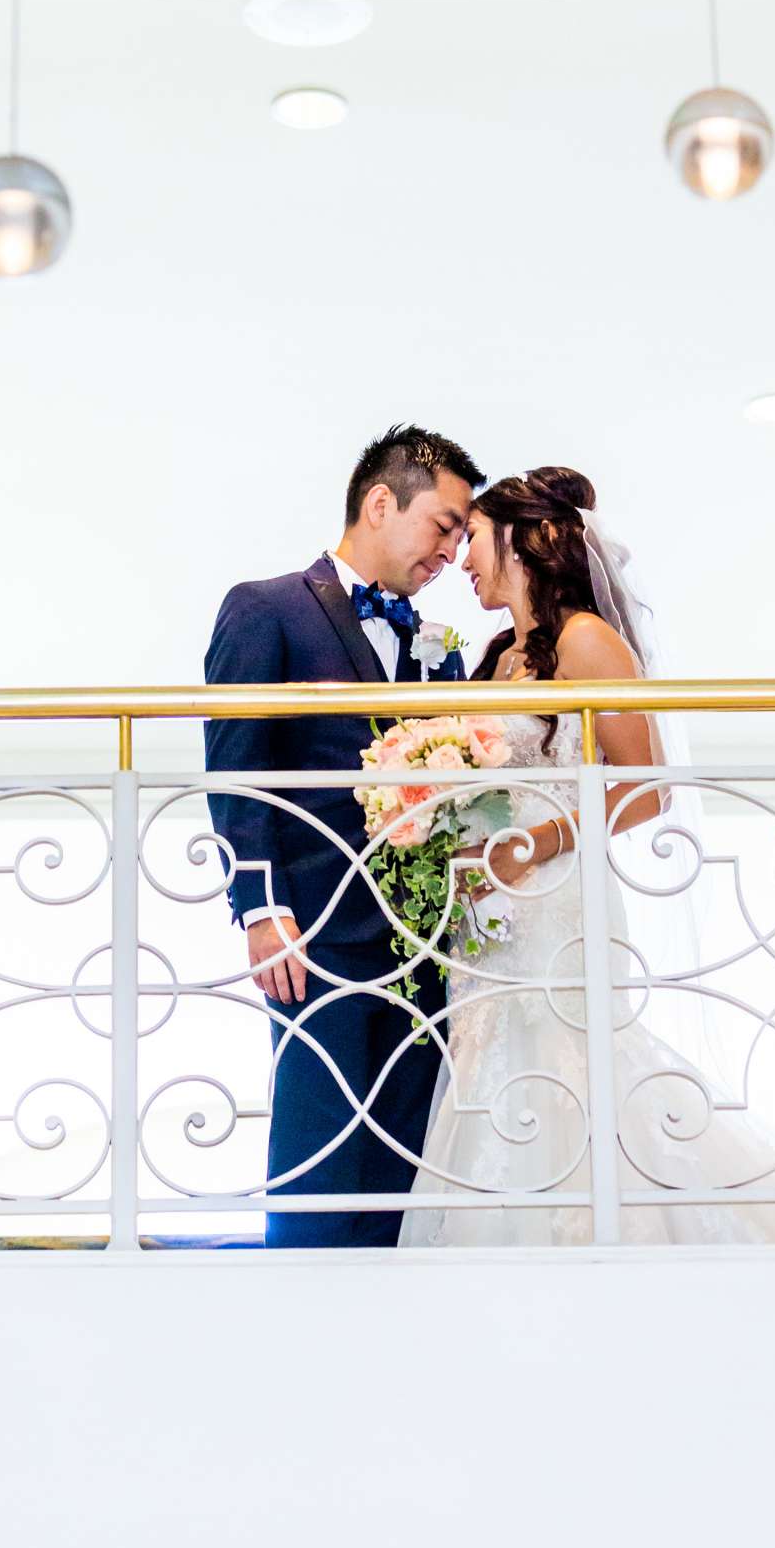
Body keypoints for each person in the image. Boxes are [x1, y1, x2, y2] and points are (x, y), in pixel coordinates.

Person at [399, 466, 775, 1247]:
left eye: (473, 537)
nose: (461, 557)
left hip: (553, 892)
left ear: (520, 538)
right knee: (489, 1061)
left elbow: (644, 790)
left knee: (567, 1051)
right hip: (487, 910)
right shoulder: (497, 657)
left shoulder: (590, 640)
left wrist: (533, 844)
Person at [204, 422, 484, 1247]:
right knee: (318, 1162)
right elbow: (236, 772)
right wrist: (260, 908)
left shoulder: (439, 652)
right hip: (315, 933)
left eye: (463, 539)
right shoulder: (267, 610)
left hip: (421, 945)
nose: (450, 554)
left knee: (405, 1170)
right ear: (379, 501)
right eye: (444, 527)